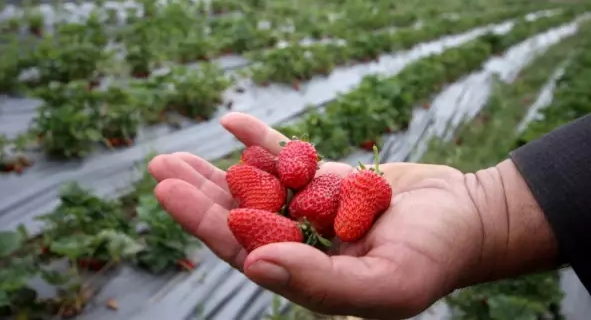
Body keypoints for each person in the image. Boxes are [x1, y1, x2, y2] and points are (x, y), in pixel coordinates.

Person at [147, 112, 591, 320]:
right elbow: (294, 179)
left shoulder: (344, 188)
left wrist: (487, 208)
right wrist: (491, 207)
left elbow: (313, 191)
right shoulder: (297, 180)